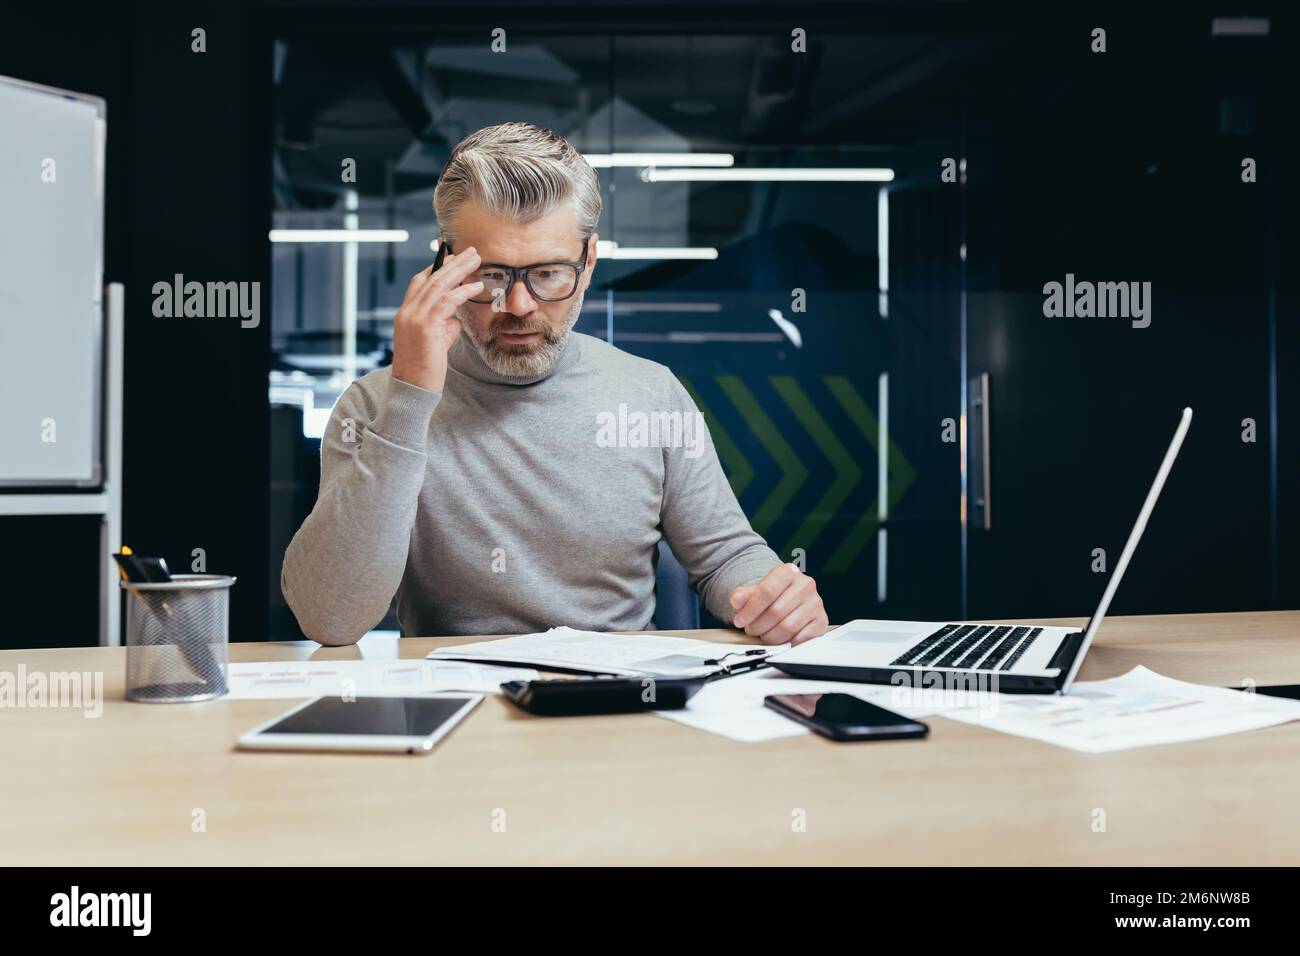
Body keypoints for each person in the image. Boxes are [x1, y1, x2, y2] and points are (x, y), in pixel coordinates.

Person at [283, 122, 829, 647]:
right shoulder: (376, 405)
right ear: (446, 266)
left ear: (588, 262)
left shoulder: (651, 395)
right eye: (492, 275)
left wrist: (771, 597)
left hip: (616, 698)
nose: (519, 305)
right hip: (461, 700)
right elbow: (331, 617)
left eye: (547, 274)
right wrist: (410, 395)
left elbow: (726, 557)